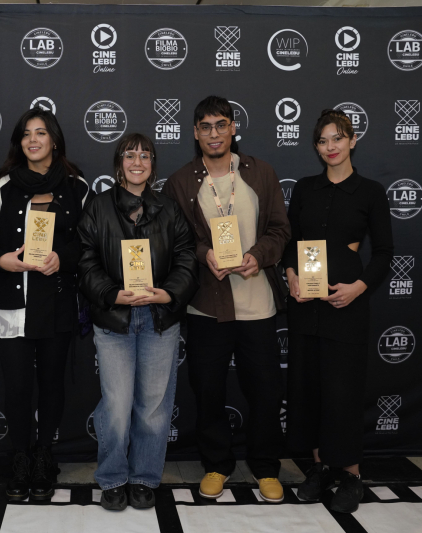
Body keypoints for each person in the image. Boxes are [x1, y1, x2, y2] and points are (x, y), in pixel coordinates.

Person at [162, 96, 289, 503]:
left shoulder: (261, 172)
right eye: (205, 127)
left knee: (266, 392)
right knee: (208, 390)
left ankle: (265, 466)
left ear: (233, 128)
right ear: (195, 132)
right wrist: (205, 255)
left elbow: (280, 230)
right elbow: (177, 241)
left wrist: (258, 256)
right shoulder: (181, 182)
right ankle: (216, 464)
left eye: (221, 125)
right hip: (207, 305)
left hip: (258, 304)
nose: (214, 134)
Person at [77, 133, 198, 511]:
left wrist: (168, 294)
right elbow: (85, 260)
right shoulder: (98, 207)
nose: (137, 162)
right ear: (119, 164)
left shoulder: (169, 208)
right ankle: (113, 477)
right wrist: (112, 294)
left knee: (154, 406)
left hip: (159, 319)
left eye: (145, 156)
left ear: (153, 166)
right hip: (114, 320)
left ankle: (145, 477)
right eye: (130, 155)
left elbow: (187, 258)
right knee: (116, 406)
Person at [283, 109, 393, 513]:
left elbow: (384, 252)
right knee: (309, 388)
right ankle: (319, 469)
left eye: (338, 138)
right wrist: (291, 276)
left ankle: (350, 474)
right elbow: (290, 243)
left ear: (352, 140)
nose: (330, 147)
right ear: (316, 146)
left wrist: (358, 289)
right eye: (323, 140)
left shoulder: (370, 192)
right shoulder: (305, 189)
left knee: (342, 391)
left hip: (347, 307)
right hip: (305, 307)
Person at [0, 108, 91, 501]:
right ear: (19, 142)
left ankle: (44, 455)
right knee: (16, 387)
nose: (33, 140)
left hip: (56, 302)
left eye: (41, 132)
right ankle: (19, 456)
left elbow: (89, 243)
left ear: (54, 140)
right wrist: (2, 261)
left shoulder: (77, 188)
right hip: (11, 303)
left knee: (51, 384)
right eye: (26, 133)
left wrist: (63, 258)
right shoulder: (2, 187)